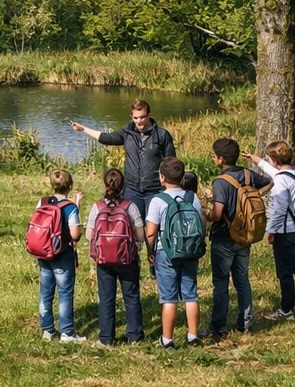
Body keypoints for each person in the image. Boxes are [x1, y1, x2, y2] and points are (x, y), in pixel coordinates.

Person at [203, 137, 270, 338]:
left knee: (221, 283)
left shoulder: (220, 182)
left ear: (221, 159)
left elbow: (217, 214)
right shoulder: (248, 174)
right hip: (244, 235)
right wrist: (256, 195)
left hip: (224, 237)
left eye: (214, 156)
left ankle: (218, 326)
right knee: (242, 280)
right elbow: (270, 182)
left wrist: (206, 213)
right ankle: (245, 323)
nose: (213, 159)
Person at [245, 141, 295, 321]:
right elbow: (277, 172)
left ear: (275, 160)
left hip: (286, 232)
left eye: (269, 158)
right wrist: (258, 161)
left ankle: (286, 309)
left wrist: (270, 231)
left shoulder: (280, 182)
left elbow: (279, 209)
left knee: (284, 271)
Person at [71, 100, 177, 213]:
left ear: (149, 115)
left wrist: (171, 187)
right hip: (132, 191)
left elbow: (171, 163)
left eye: (142, 117)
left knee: (153, 223)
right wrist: (84, 129)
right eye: (135, 118)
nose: (139, 121)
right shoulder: (127, 132)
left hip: (155, 190)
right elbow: (107, 138)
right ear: (131, 117)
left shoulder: (162, 135)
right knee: (132, 222)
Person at [144, 156, 202, 348]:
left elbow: (150, 232)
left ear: (161, 177)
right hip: (190, 251)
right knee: (191, 294)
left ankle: (167, 339)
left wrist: (150, 251)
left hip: (166, 252)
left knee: (168, 298)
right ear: (183, 177)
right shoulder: (192, 197)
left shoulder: (158, 200)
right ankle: (193, 336)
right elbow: (201, 225)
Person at [83, 167, 145, 345]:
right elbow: (140, 236)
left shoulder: (97, 207)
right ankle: (135, 336)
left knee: (106, 298)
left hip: (104, 260)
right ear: (123, 186)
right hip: (127, 258)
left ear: (105, 186)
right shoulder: (130, 206)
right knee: (131, 296)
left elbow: (89, 235)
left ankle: (106, 338)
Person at [36, 169, 84, 343]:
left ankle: (47, 330)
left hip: (43, 252)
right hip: (62, 253)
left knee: (45, 292)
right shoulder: (70, 207)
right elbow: (75, 235)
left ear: (52, 185)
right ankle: (67, 332)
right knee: (64, 293)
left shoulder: (42, 202)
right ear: (69, 186)